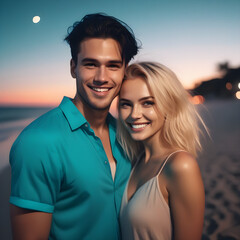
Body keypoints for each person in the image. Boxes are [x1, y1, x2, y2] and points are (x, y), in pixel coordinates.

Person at [9, 13, 139, 240]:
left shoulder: (127, 133)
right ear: (73, 68)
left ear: (124, 70)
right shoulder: (38, 142)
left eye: (113, 66)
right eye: (90, 64)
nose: (102, 77)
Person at [117, 62, 207, 240]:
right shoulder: (134, 160)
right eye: (126, 104)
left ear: (169, 105)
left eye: (147, 103)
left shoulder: (181, 165)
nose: (134, 114)